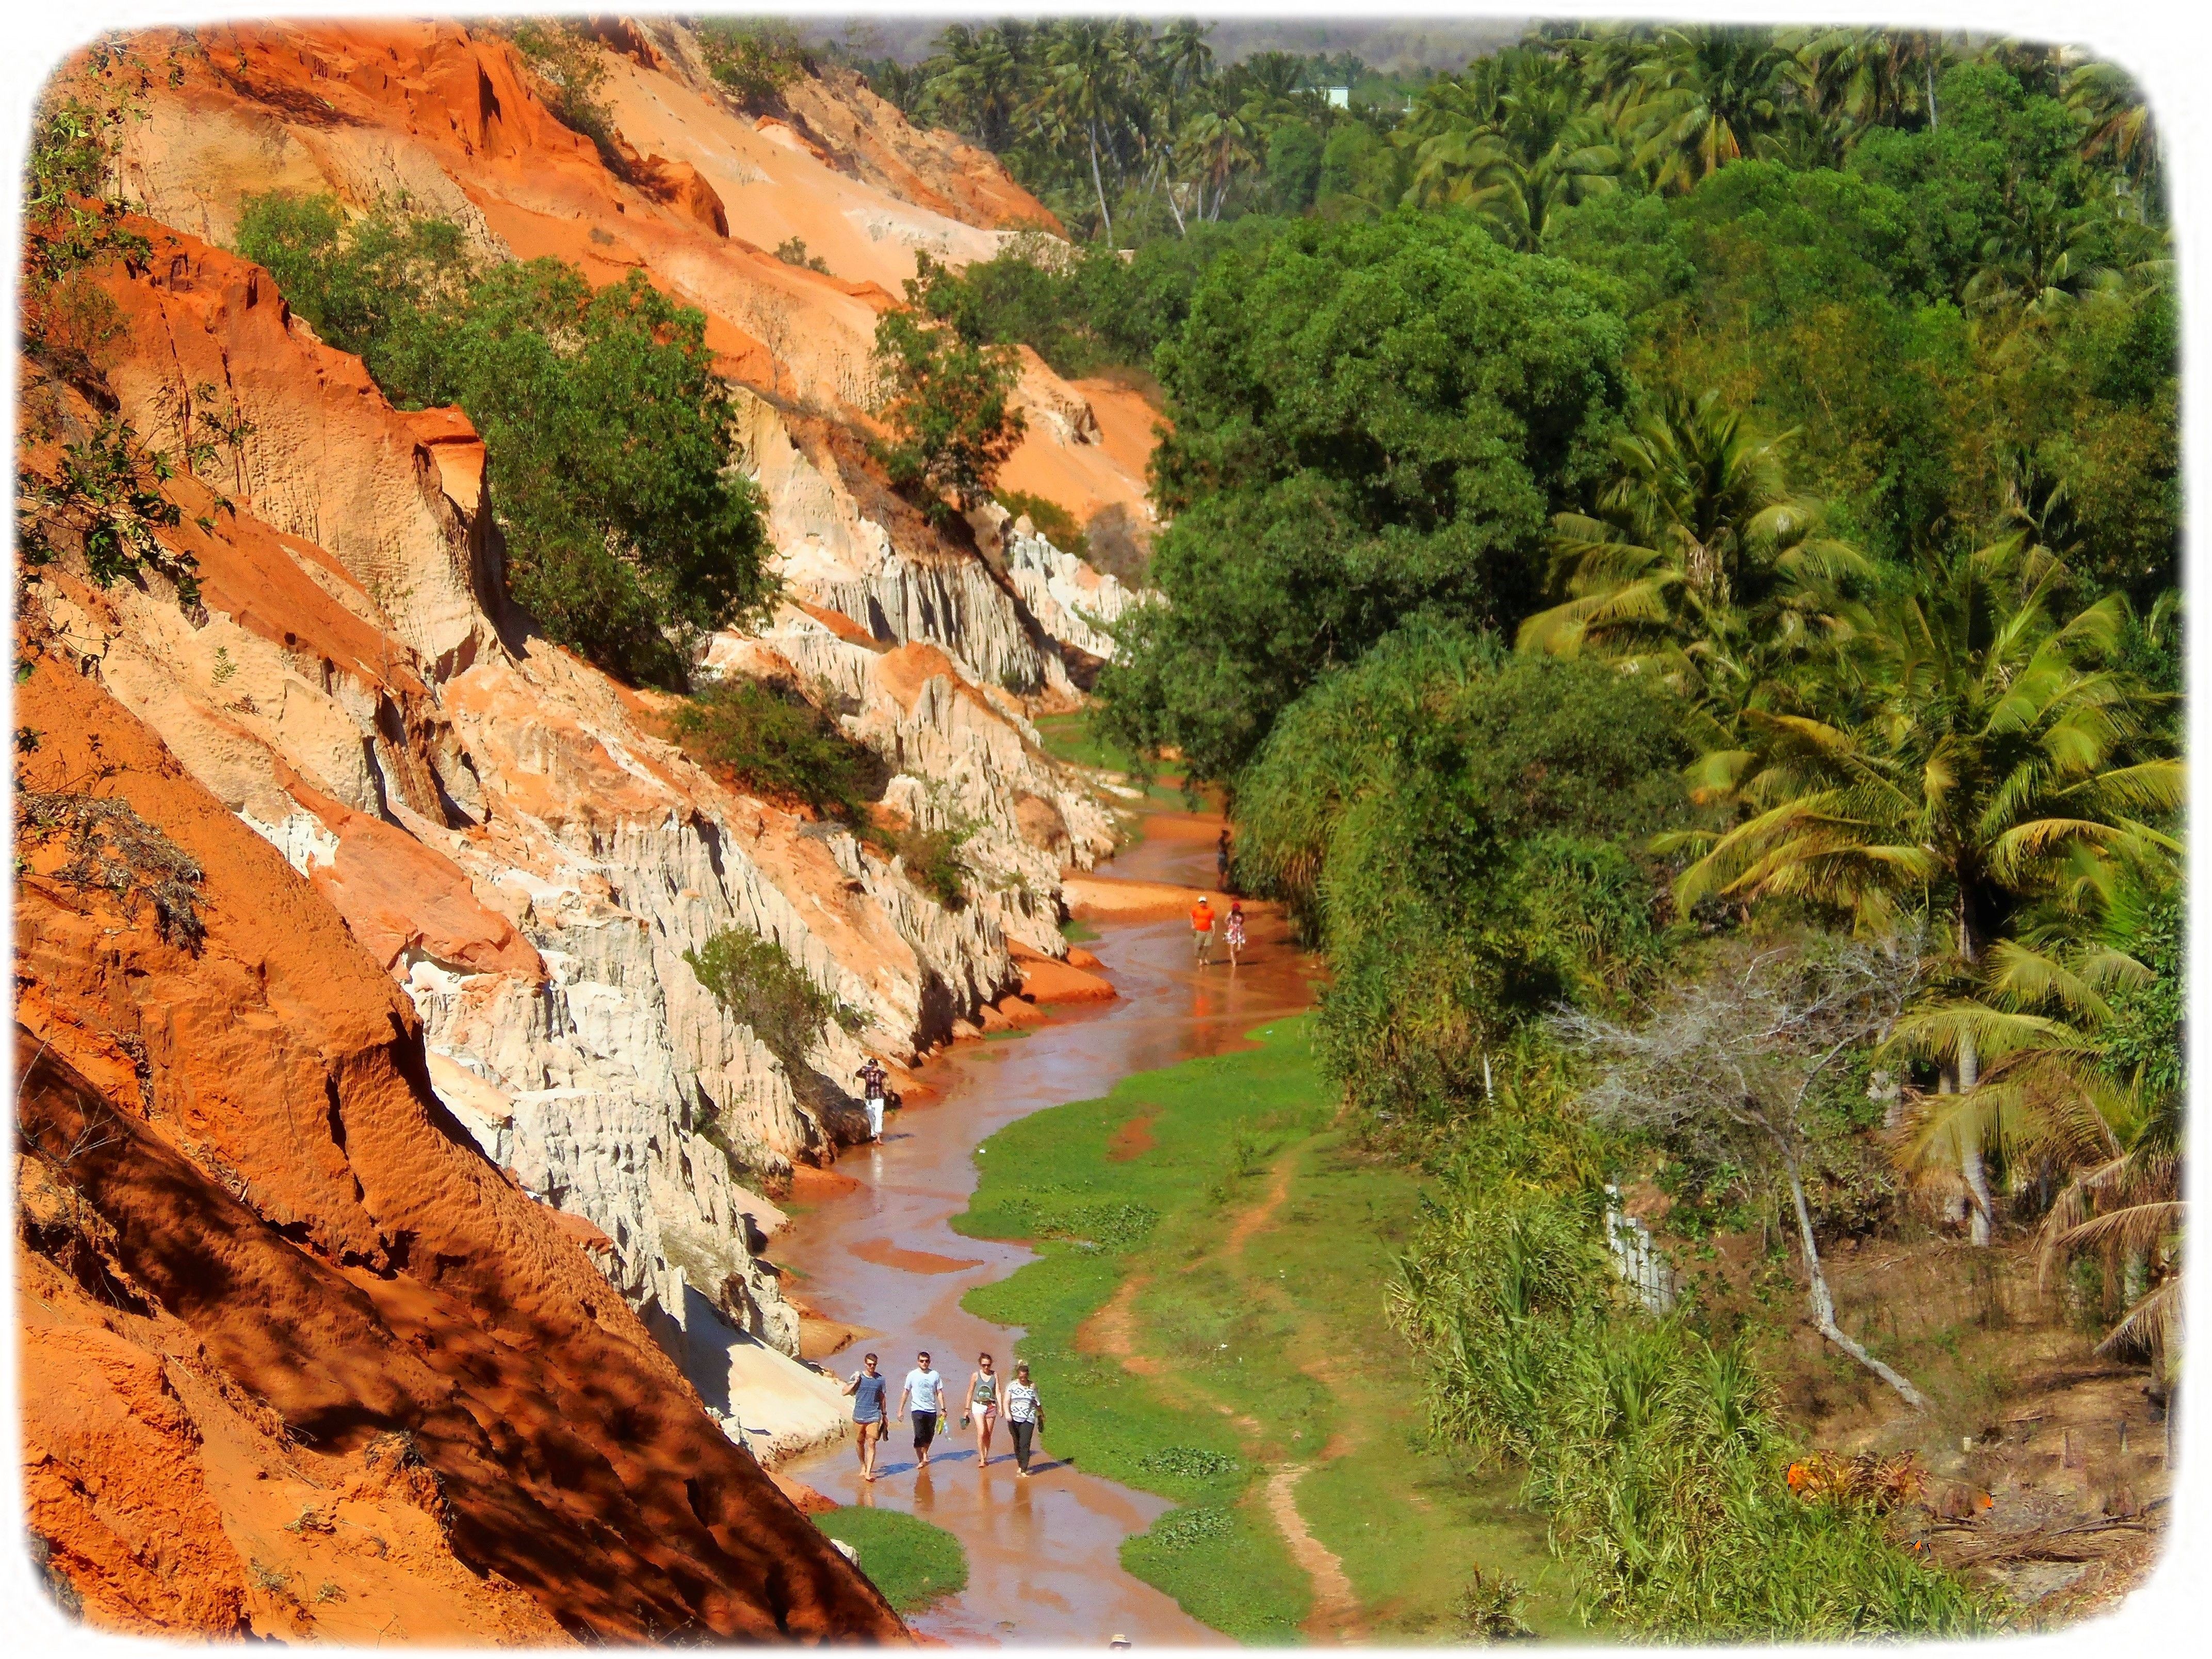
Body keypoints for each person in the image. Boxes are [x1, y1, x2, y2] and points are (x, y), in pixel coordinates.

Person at [841, 1352, 888, 1483]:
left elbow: (882, 1398)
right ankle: (863, 1465)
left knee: (872, 1443)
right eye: (869, 1364)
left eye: (874, 1365)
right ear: (865, 1364)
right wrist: (855, 1382)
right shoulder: (858, 1377)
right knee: (860, 1442)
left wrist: (885, 1415)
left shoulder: (880, 1380)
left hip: (874, 1415)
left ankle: (868, 1473)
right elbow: (844, 1392)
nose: (872, 1367)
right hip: (859, 1416)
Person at [899, 1351, 945, 1469]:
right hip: (917, 1409)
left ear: (930, 1362)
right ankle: (921, 1459)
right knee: (919, 1435)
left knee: (930, 1435)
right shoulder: (912, 1375)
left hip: (931, 1410)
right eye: (922, 1361)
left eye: (927, 1361)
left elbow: (939, 1392)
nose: (924, 1363)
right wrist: (901, 1410)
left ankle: (925, 1453)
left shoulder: (935, 1375)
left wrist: (943, 1408)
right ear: (918, 1362)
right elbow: (906, 1392)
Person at [964, 1352, 1000, 1467]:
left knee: (988, 1434)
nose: (986, 1367)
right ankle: (982, 1459)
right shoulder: (976, 1375)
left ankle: (986, 1455)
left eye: (988, 1365)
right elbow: (970, 1392)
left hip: (991, 1406)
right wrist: (967, 1409)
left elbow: (998, 1392)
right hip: (978, 1405)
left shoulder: (995, 1375)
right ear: (980, 1364)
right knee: (981, 1432)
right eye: (984, 1365)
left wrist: (1001, 1408)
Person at [855, 1056, 888, 1144]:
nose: (873, 1067)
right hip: (869, 1098)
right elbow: (857, 1074)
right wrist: (863, 1069)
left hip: (879, 1098)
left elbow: (885, 1074)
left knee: (878, 1116)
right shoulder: (866, 1074)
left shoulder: (880, 1074)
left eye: (874, 1065)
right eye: (871, 1066)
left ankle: (878, 1136)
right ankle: (874, 1134)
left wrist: (877, 1070)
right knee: (871, 1117)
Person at [1190, 895, 1215, 969]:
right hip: (1199, 930)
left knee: (1208, 945)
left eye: (1204, 902)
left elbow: (1212, 920)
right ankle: (1201, 959)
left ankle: (1205, 958)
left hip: (1208, 930)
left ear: (1206, 902)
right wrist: (1192, 925)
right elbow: (1192, 916)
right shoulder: (1196, 909)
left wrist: (1214, 929)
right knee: (1199, 946)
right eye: (1201, 902)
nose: (1202, 903)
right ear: (1199, 902)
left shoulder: (1210, 910)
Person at [1224, 899, 1247, 968]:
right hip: (1232, 931)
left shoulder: (1241, 915)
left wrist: (1239, 926)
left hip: (1239, 931)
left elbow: (1243, 921)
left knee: (1240, 949)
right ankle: (1233, 961)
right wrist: (1230, 926)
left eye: (1237, 909)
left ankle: (1235, 957)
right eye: (1235, 909)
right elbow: (1226, 920)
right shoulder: (1230, 914)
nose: (1236, 910)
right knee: (1232, 947)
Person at [1215, 826, 1232, 891]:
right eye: (1227, 835)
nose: (1228, 837)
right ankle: (1219, 887)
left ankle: (1220, 886)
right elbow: (1222, 849)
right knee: (1222, 873)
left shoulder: (1222, 841)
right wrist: (1228, 845)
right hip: (1222, 858)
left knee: (1223, 873)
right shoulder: (1221, 841)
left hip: (1222, 858)